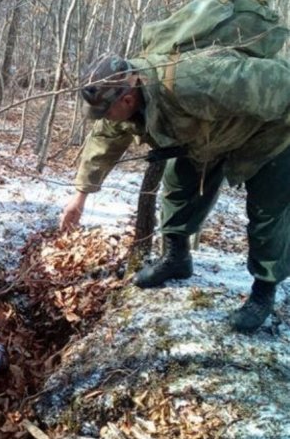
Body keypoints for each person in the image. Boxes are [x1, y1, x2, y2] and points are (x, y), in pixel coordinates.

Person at [60, 49, 290, 333]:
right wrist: (80, 194)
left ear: (127, 99)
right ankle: (177, 258)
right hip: (209, 138)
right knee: (178, 188)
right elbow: (105, 137)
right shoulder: (125, 96)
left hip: (271, 132)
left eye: (105, 111)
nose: (104, 118)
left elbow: (277, 82)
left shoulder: (193, 80)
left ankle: (263, 292)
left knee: (267, 212)